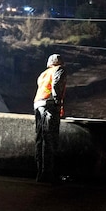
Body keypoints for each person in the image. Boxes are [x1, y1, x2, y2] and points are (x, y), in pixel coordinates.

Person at [33, 54, 67, 183]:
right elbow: (56, 86)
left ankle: (40, 173)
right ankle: (48, 174)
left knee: (40, 139)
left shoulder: (44, 73)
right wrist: (58, 104)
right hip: (49, 105)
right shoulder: (59, 70)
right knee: (50, 138)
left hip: (38, 104)